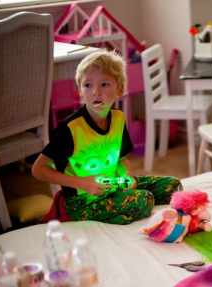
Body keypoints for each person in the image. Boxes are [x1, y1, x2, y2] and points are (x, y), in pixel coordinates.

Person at [32, 49, 181, 224]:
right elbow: (38, 169)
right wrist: (82, 183)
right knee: (143, 200)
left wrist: (126, 177)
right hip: (80, 200)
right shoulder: (70, 129)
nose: (96, 92)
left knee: (173, 186)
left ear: (120, 89)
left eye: (104, 85)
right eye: (88, 85)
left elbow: (121, 160)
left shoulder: (118, 119)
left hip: (113, 185)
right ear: (79, 91)